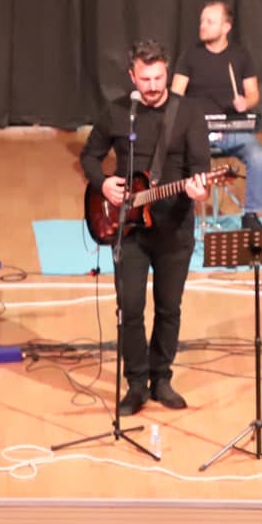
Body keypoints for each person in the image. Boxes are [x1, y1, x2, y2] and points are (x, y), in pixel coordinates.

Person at [80, 40, 212, 416]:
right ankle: (136, 383)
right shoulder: (120, 112)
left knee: (169, 308)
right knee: (131, 308)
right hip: (130, 230)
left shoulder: (188, 114)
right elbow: (89, 155)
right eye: (145, 79)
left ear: (167, 73)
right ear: (132, 76)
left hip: (174, 230)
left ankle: (162, 378)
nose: (153, 86)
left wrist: (198, 190)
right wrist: (102, 183)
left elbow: (201, 167)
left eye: (159, 78)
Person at [170, 0, 262, 229]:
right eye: (202, 21)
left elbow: (254, 93)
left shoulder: (240, 55)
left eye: (210, 21)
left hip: (231, 128)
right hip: (197, 131)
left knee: (258, 156)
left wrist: (246, 102)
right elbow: (175, 95)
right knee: (178, 158)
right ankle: (180, 216)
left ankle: (251, 215)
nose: (202, 25)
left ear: (226, 27)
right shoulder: (190, 55)